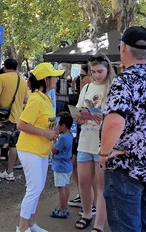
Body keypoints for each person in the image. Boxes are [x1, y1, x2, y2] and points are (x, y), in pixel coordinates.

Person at [100, 26, 146, 232]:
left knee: (126, 228)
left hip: (125, 169)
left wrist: (104, 153)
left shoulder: (124, 80)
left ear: (122, 48)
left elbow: (115, 122)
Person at [15, 63, 63, 232]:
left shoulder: (45, 98)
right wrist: (46, 133)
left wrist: (51, 132)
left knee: (37, 188)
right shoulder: (36, 99)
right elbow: (20, 124)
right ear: (46, 79)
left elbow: (42, 124)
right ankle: (22, 227)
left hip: (40, 150)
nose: (57, 79)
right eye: (54, 76)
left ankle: (30, 224)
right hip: (30, 149)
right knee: (34, 188)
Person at [74, 54, 114, 230]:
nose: (96, 75)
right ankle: (87, 213)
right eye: (93, 71)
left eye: (100, 71)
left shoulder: (113, 87)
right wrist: (80, 117)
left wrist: (102, 118)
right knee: (83, 181)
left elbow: (116, 118)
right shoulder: (87, 86)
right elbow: (79, 110)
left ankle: (99, 223)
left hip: (103, 143)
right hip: (85, 140)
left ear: (108, 69)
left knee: (101, 184)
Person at [68, 64, 92, 209]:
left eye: (83, 76)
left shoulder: (99, 90)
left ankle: (91, 201)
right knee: (74, 164)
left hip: (91, 137)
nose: (80, 80)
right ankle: (82, 195)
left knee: (90, 172)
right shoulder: (84, 90)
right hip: (80, 133)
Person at [50, 112, 74, 219]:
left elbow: (54, 150)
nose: (57, 127)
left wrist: (54, 140)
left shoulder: (63, 138)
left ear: (63, 126)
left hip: (60, 166)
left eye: (58, 125)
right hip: (67, 165)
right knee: (66, 186)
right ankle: (64, 207)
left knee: (61, 188)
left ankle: (62, 209)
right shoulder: (70, 136)